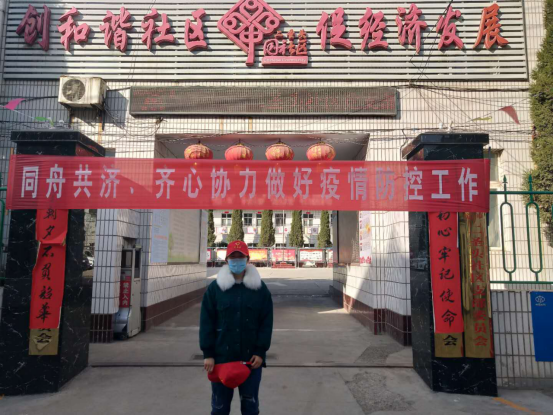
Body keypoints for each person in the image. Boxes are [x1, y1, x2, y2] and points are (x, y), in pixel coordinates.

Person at [200, 240, 274, 415]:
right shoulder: (215, 289)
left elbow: (266, 322)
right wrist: (208, 354)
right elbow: (206, 322)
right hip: (221, 359)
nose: (237, 261)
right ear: (227, 260)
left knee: (250, 408)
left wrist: (260, 351)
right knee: (219, 408)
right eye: (233, 257)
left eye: (240, 257)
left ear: (248, 259)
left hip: (251, 361)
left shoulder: (259, 289)